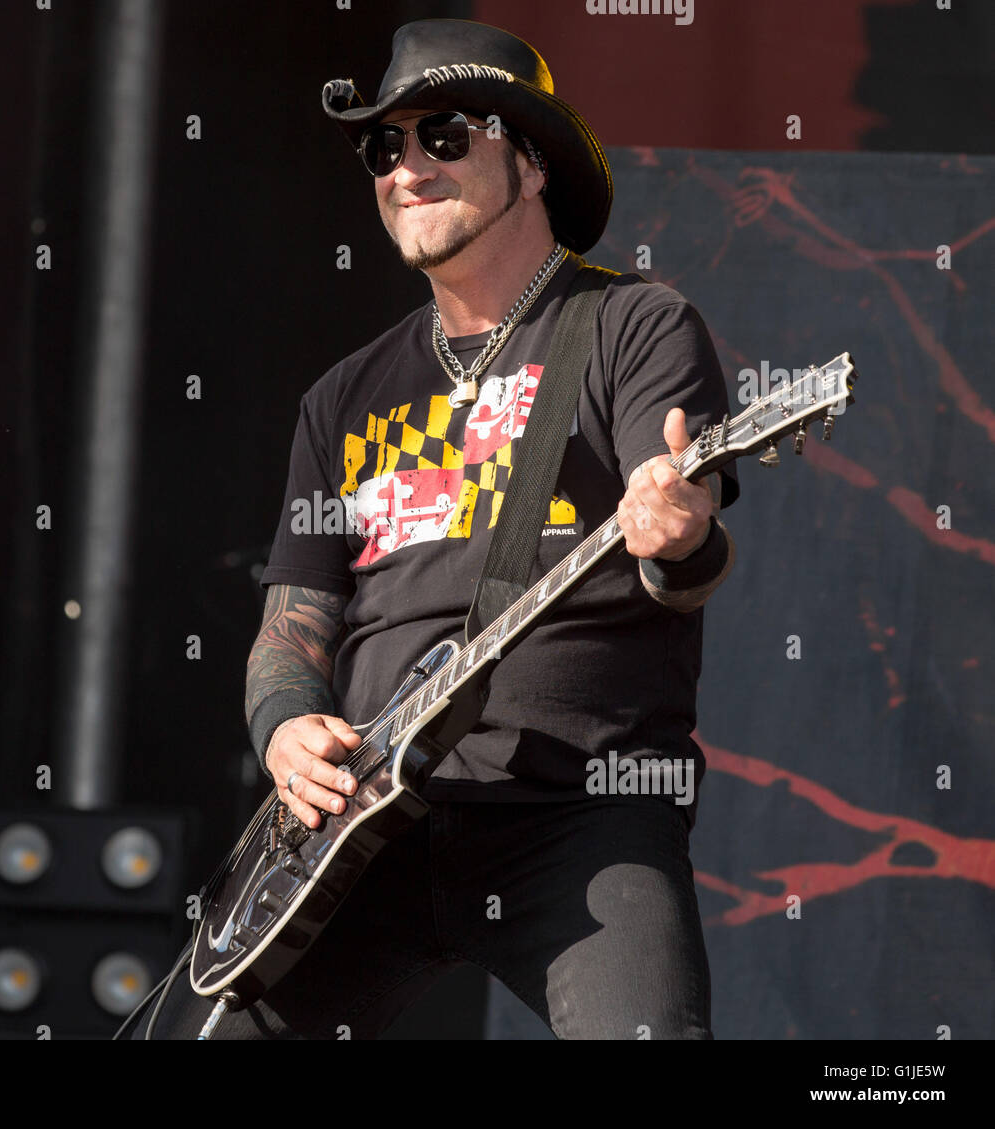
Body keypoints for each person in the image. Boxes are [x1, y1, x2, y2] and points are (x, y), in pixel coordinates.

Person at [133, 17, 739, 1040]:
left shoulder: (635, 324)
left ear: (532, 161)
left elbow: (684, 553)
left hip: (573, 811)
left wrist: (676, 532)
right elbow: (292, 627)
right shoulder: (343, 395)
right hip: (359, 827)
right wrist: (284, 727)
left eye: (444, 135)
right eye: (384, 146)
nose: (406, 167)